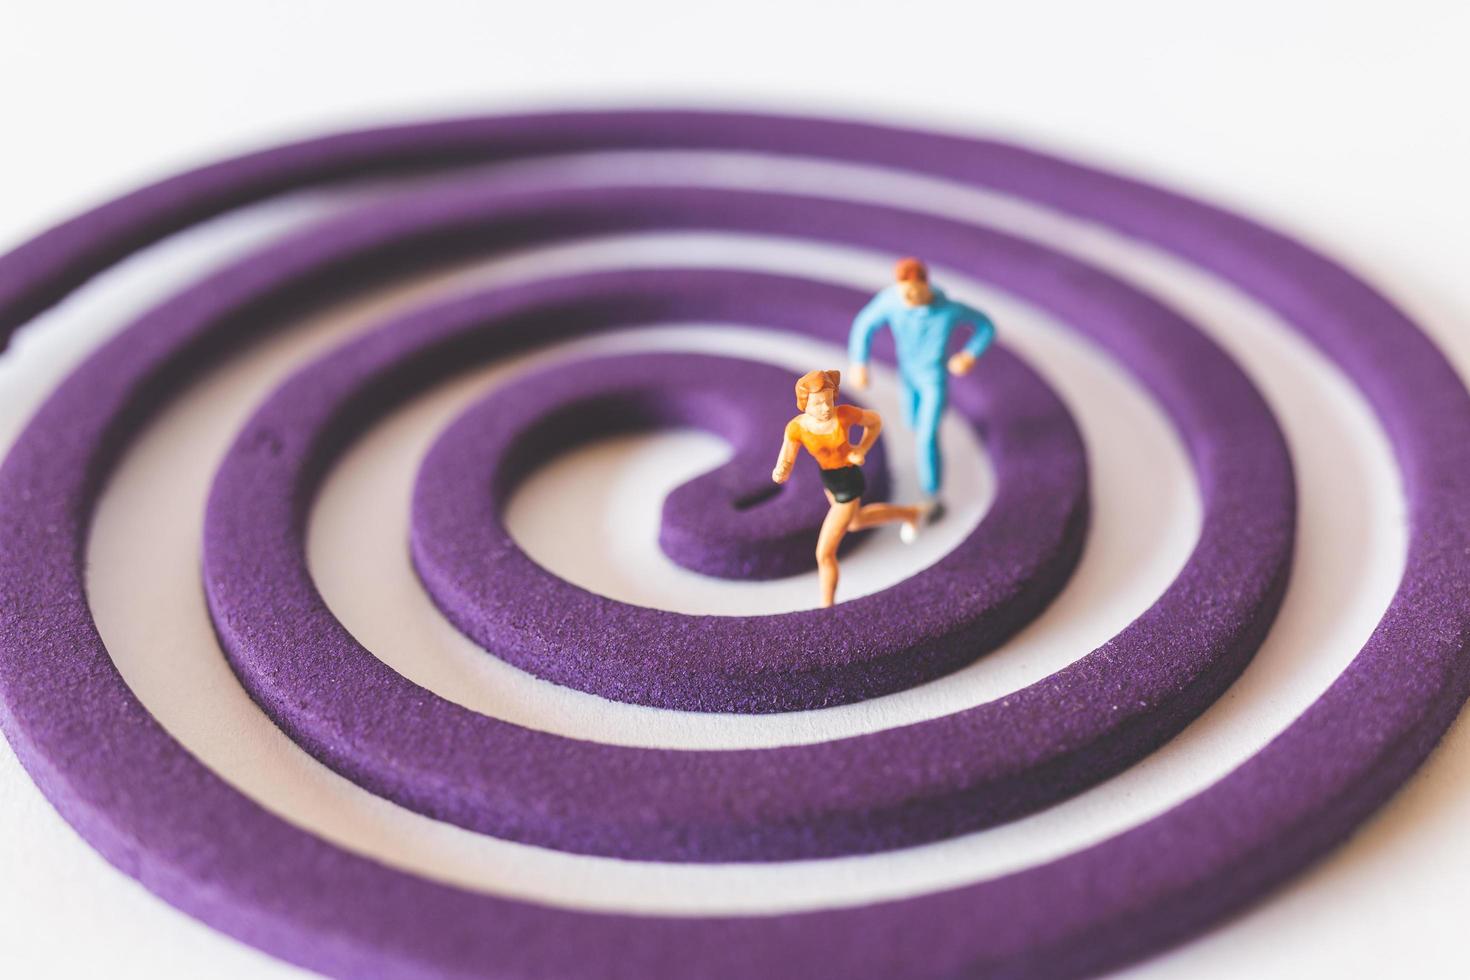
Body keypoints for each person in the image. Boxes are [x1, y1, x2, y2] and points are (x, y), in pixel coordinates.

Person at [847, 257, 996, 510]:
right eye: (904, 294)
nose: (909, 299)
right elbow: (864, 324)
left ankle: (933, 495)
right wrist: (859, 362)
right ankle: (924, 468)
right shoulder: (891, 301)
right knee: (912, 424)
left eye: (915, 293)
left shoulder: (949, 310)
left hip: (933, 379)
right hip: (907, 377)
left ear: (926, 285)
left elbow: (986, 325)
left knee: (927, 435)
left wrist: (969, 354)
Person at [772, 369, 929, 608]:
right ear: (804, 404)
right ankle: (911, 514)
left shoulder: (843, 415)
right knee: (855, 522)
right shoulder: (796, 428)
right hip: (829, 481)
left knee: (824, 553)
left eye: (828, 401)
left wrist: (861, 449)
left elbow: (874, 422)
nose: (825, 408)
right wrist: (781, 470)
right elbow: (787, 457)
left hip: (848, 481)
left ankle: (827, 607)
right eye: (817, 403)